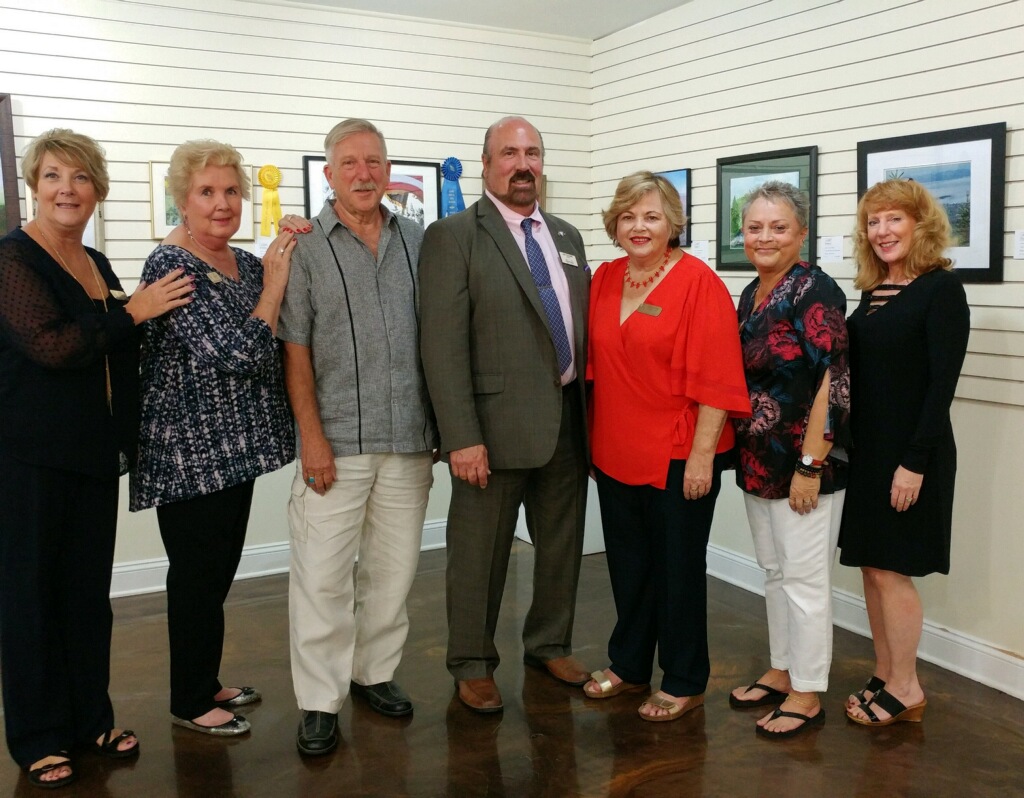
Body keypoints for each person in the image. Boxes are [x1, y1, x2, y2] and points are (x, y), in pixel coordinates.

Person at [0, 129, 193, 788]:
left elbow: (117, 351)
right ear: (34, 184)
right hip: (28, 458)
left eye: (80, 177)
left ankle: (89, 720)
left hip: (90, 454)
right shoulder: (12, 259)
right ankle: (37, 737)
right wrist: (134, 312)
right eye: (54, 175)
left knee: (86, 598)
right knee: (30, 599)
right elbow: (53, 346)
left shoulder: (97, 263)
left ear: (97, 190)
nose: (67, 189)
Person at [419, 116, 591, 713]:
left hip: (567, 420)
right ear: (487, 163)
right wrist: (460, 437)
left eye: (532, 153)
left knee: (562, 546)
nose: (523, 165)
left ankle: (550, 644)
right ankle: (472, 662)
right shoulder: (453, 236)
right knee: (478, 555)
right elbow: (441, 347)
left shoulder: (567, 235)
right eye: (510, 153)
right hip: (490, 432)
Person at [278, 119, 437, 756]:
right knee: (321, 579)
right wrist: (311, 439)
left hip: (408, 439)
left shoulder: (419, 241)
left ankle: (374, 672)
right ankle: (320, 701)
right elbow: (294, 349)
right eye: (350, 163)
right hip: (336, 442)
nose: (364, 174)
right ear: (329, 174)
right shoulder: (306, 247)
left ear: (388, 170)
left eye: (374, 162)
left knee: (391, 574)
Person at [129, 140, 295, 737]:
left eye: (230, 191)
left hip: (234, 454)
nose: (221, 204)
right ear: (183, 200)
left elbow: (274, 339)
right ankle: (189, 700)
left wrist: (291, 245)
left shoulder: (244, 263)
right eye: (206, 192)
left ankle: (205, 679)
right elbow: (240, 353)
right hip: (187, 457)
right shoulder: (171, 267)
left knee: (217, 573)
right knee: (196, 578)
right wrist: (274, 287)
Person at [582, 171, 750, 721]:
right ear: (614, 223)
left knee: (677, 571)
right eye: (628, 216)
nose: (639, 226)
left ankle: (684, 678)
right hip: (615, 449)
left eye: (652, 216)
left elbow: (718, 378)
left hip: (680, 454)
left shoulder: (699, 283)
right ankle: (629, 665)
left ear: (673, 223)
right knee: (629, 567)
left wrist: (702, 457)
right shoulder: (605, 278)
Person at [841, 179, 969, 727]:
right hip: (869, 452)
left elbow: (942, 386)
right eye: (873, 222)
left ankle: (907, 686)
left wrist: (914, 462)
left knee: (893, 571)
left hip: (912, 454)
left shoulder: (941, 289)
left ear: (921, 225)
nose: (882, 231)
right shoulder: (874, 291)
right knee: (872, 567)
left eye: (894, 219)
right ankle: (885, 672)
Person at [729, 180, 851, 739]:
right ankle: (782, 669)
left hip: (805, 465)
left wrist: (809, 466)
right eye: (755, 227)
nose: (765, 236)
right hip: (759, 461)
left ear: (801, 233)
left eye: (778, 227)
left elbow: (834, 380)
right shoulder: (752, 291)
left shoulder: (815, 290)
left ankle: (806, 691)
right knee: (775, 573)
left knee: (804, 580)